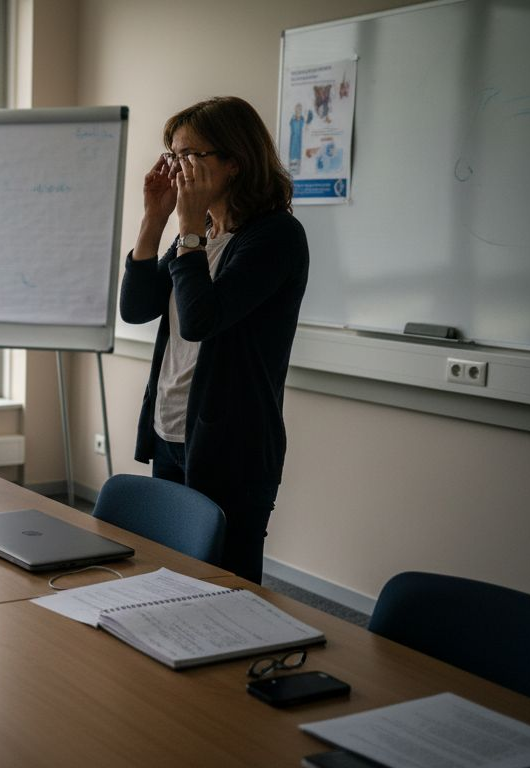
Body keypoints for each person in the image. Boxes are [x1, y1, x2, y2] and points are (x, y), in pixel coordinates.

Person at [119, 96, 308, 584]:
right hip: (171, 430)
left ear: (234, 163)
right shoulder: (201, 231)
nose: (176, 168)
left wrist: (186, 229)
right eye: (171, 154)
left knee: (225, 588)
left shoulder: (276, 238)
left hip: (232, 445)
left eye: (189, 155)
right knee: (168, 578)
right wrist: (154, 219)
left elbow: (203, 318)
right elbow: (136, 309)